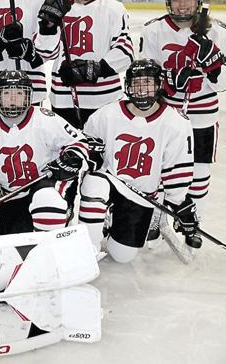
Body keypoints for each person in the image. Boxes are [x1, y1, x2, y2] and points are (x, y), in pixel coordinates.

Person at [139, 0, 226, 219]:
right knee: (161, 170)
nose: (182, 4)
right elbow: (144, 77)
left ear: (198, 0)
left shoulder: (219, 31)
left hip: (203, 118)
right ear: (168, 1)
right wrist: (168, 83)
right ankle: (157, 219)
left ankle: (194, 222)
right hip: (165, 115)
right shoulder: (153, 30)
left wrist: (213, 66)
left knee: (199, 175)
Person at [80, 59, 199, 261]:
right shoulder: (107, 114)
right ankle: (86, 252)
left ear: (159, 84)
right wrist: (90, 155)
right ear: (127, 86)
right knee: (94, 183)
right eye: (136, 83)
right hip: (109, 183)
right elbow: (84, 145)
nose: (142, 90)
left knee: (122, 256)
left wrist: (180, 204)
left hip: (140, 195)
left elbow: (176, 169)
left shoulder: (175, 122)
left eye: (148, 83)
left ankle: (114, 222)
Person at [0, 70, 97, 235]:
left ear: (29, 96)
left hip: (47, 184)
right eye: (6, 93)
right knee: (14, 245)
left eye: (19, 93)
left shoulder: (45, 119)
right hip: (12, 194)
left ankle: (54, 233)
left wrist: (71, 157)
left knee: (47, 203)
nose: (13, 99)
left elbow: (79, 142)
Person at [35, 0, 133, 129]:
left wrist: (95, 69)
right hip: (63, 97)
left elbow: (125, 52)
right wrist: (48, 27)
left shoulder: (114, 9)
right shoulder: (59, 7)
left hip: (104, 97)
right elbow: (45, 53)